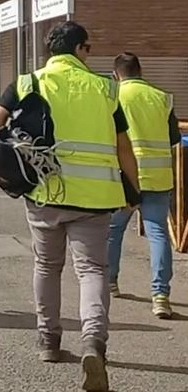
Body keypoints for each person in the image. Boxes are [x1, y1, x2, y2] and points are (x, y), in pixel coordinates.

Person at [0, 21, 140, 392]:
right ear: (81, 49)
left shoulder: (28, 83)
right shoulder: (105, 88)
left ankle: (49, 341)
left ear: (51, 50)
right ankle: (93, 343)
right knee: (92, 270)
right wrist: (134, 191)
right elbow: (123, 148)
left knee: (47, 266)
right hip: (96, 198)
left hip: (45, 192)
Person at [107, 52, 181, 319]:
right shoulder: (162, 97)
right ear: (141, 71)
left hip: (125, 178)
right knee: (158, 234)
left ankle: (110, 282)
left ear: (116, 74)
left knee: (114, 231)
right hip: (159, 177)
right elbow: (174, 137)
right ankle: (161, 296)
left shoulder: (114, 96)